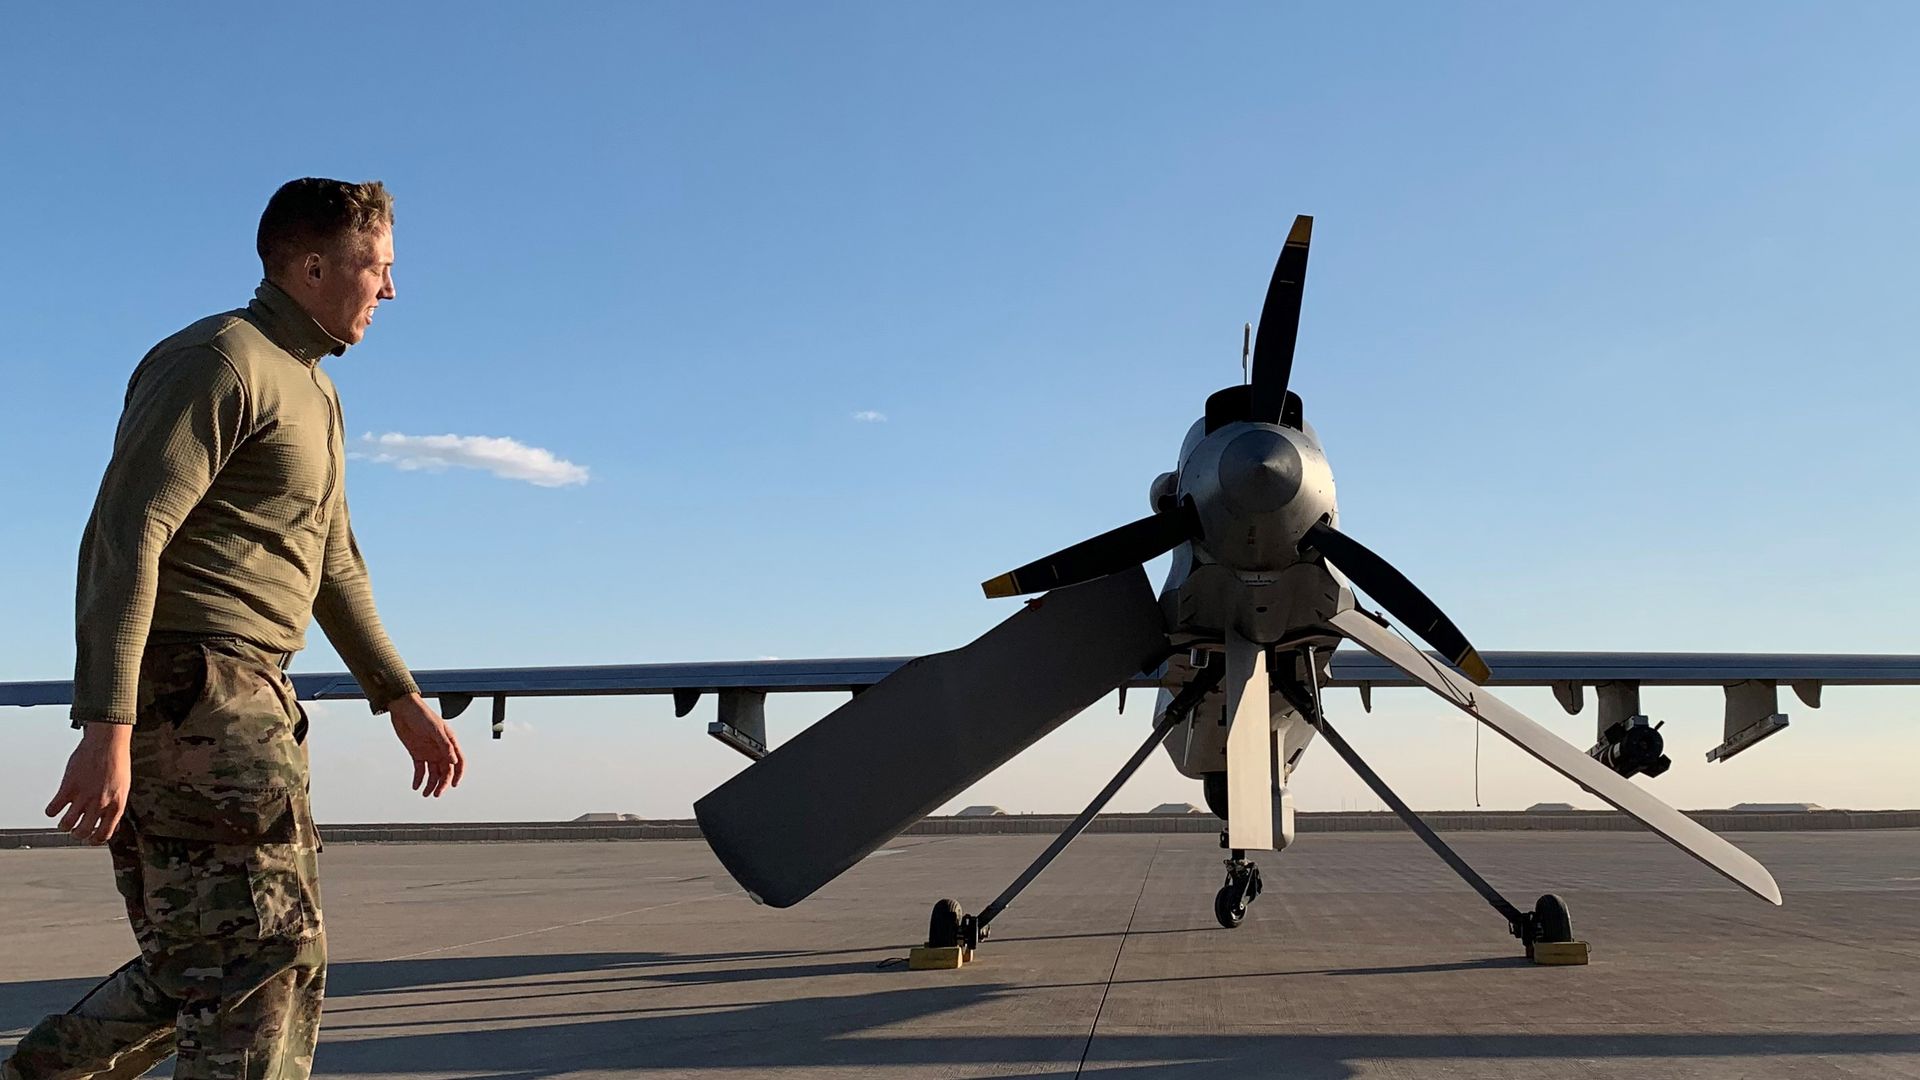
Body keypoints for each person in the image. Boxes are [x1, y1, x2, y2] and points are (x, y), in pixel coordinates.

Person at [3, 178, 465, 1080]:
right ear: (313, 264)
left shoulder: (315, 393)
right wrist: (109, 725)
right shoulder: (221, 361)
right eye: (380, 268)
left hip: (239, 688)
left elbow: (333, 563)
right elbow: (127, 533)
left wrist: (400, 697)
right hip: (200, 689)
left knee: (198, 963)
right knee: (267, 959)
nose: (392, 290)